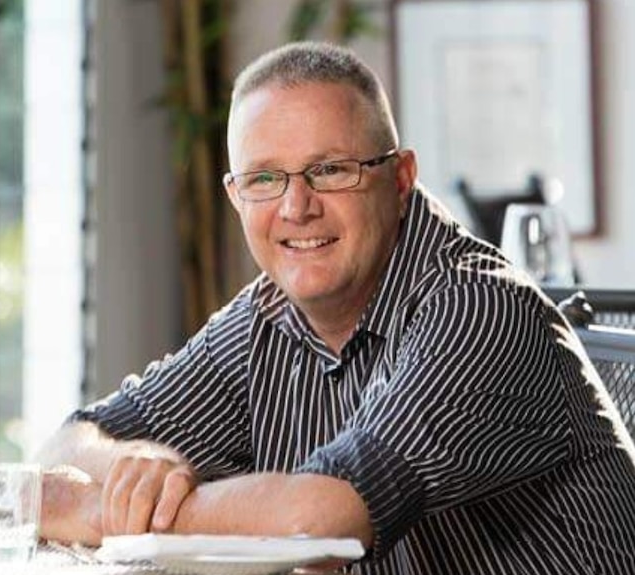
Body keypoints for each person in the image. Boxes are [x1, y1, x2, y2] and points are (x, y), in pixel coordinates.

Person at [36, 41, 635, 573]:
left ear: (400, 179)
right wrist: (135, 465)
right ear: (235, 196)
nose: (297, 207)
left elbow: (322, 519)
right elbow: (72, 443)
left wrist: (109, 507)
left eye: (330, 171)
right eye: (265, 178)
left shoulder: (479, 310)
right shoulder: (265, 317)